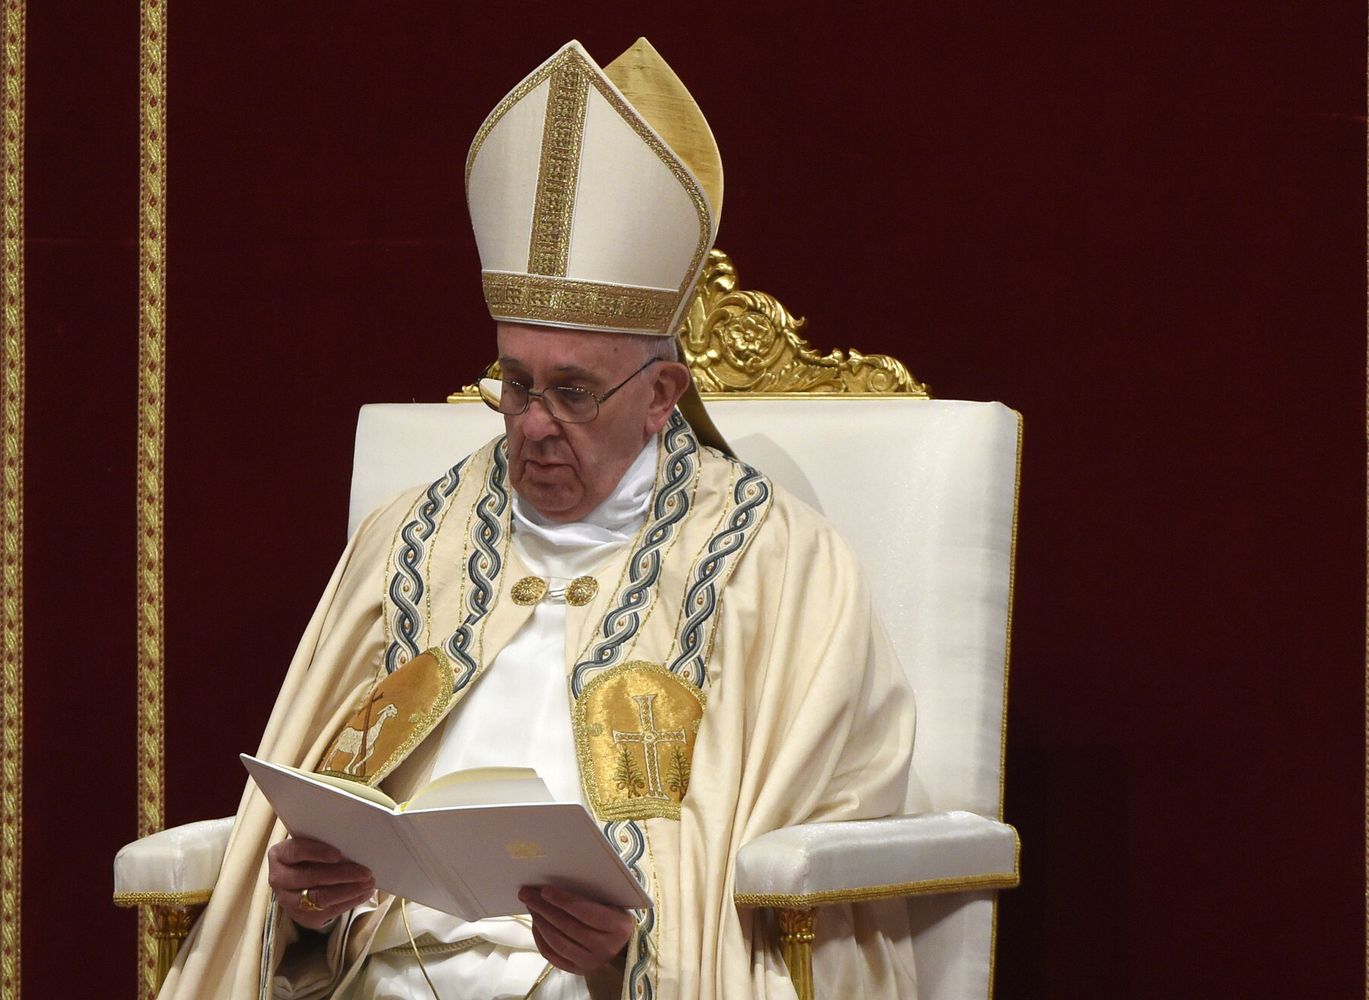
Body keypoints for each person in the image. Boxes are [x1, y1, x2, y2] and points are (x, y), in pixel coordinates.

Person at [158, 38, 916, 1000]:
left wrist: (626, 947)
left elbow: (818, 847)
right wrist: (307, 908)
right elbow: (315, 835)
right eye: (514, 384)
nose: (532, 427)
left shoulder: (775, 566)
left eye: (572, 391)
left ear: (661, 393)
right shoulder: (417, 539)